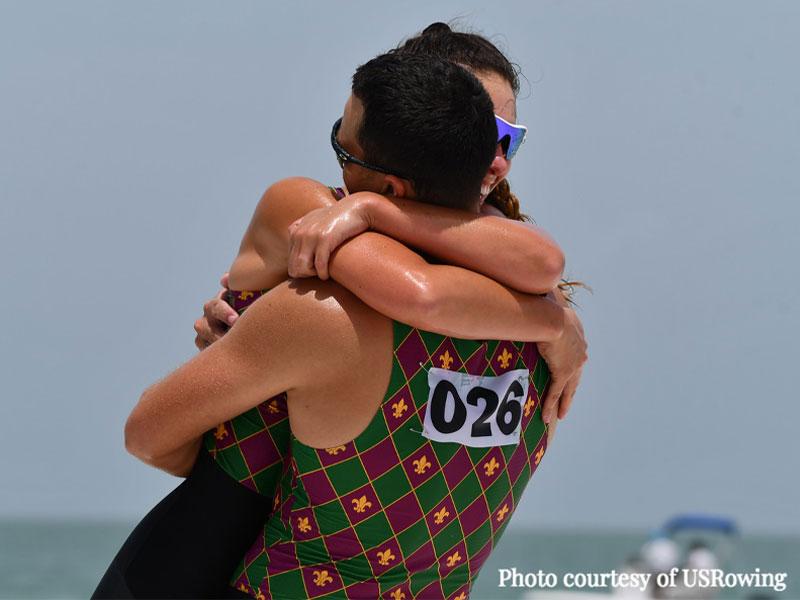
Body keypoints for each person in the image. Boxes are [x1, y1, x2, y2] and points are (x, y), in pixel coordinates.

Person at [94, 25, 587, 599]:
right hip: (203, 553)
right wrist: (554, 322)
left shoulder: (515, 277)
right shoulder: (315, 214)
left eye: (507, 138)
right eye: (483, 131)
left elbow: (520, 265)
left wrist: (376, 212)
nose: (496, 161)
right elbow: (423, 292)